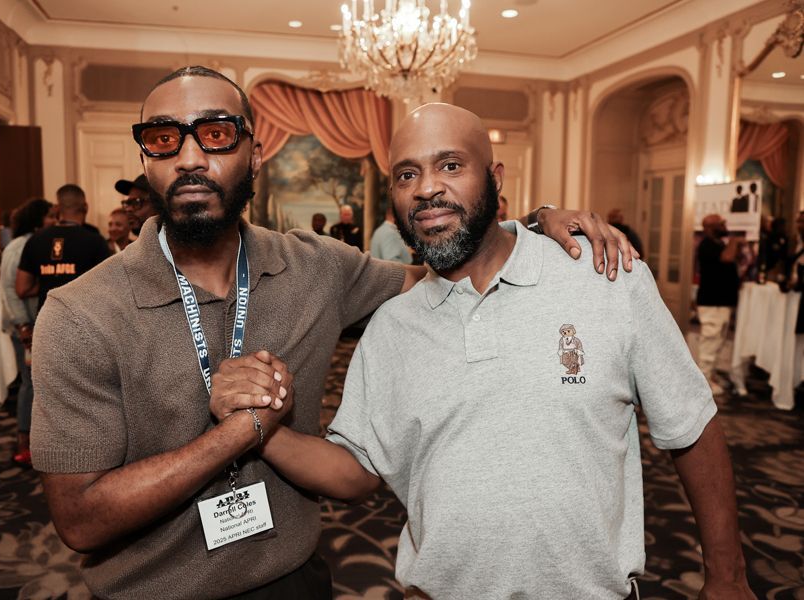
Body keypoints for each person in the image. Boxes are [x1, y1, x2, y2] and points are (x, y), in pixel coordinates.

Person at [30, 66, 633, 599]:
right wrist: (239, 433)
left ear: (254, 154)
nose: (190, 157)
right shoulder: (81, 313)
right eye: (164, 138)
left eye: (215, 134)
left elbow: (438, 270)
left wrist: (528, 223)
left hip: (294, 580)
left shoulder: (316, 266)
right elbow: (80, 520)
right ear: (146, 162)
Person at [233, 103, 754, 600]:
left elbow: (692, 426)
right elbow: (356, 470)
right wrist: (257, 428)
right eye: (407, 174)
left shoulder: (605, 275)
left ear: (495, 178)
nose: (428, 188)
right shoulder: (392, 327)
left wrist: (726, 578)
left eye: (451, 165)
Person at [0, 198, 56, 466]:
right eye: (50, 217)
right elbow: (12, 290)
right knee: (30, 383)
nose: (54, 222)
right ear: (38, 220)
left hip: (35, 323)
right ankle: (23, 442)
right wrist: (23, 324)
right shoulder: (20, 246)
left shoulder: (39, 242)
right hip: (25, 327)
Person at [15, 183, 111, 313]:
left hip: (47, 318)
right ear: (85, 207)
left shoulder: (36, 240)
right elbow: (108, 286)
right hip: (83, 318)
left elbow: (22, 289)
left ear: (57, 208)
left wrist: (49, 284)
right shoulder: (96, 241)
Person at [696, 214, 743, 396]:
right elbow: (727, 258)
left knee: (718, 342)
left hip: (721, 301)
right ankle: (703, 381)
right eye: (721, 223)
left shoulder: (719, 244)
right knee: (710, 342)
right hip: (711, 302)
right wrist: (734, 241)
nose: (725, 225)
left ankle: (710, 375)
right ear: (709, 227)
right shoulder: (706, 245)